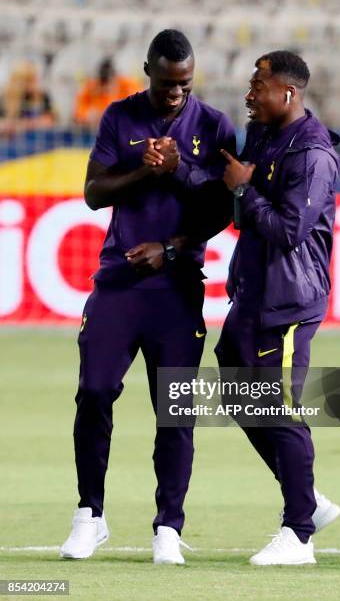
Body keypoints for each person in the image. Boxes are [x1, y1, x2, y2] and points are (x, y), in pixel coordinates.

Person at [60, 29, 236, 564]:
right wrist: (145, 169)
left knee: (174, 409)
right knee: (94, 392)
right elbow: (93, 194)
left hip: (178, 286)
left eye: (183, 85)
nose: (175, 95)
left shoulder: (214, 126)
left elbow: (222, 209)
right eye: (165, 85)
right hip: (118, 282)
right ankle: (90, 515)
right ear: (148, 73)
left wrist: (175, 230)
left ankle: (167, 526)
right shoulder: (120, 116)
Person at [216, 50, 340, 566]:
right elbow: (247, 217)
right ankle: (306, 496)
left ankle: (300, 533)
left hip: (288, 301)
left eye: (258, 84)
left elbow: (289, 231)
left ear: (287, 93)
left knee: (279, 407)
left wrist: (244, 189)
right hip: (252, 292)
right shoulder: (266, 135)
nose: (249, 93)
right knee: (237, 395)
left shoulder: (314, 155)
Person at [74, 57, 142, 127]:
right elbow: (79, 111)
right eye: (102, 83)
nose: (105, 87)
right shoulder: (91, 86)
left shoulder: (128, 85)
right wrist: (87, 116)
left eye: (108, 83)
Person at [0, 61, 55, 136]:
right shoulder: (6, 97)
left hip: (37, 137)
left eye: (35, 79)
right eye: (30, 80)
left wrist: (24, 124)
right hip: (13, 141)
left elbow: (49, 121)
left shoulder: (42, 95)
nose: (35, 83)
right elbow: (3, 124)